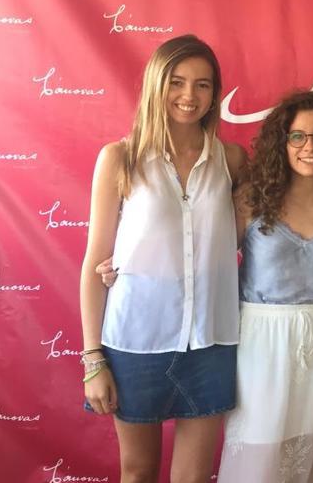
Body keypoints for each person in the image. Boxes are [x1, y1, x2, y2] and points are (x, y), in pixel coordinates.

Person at [79, 34, 247, 482]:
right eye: (177, 82)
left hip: (211, 341)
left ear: (215, 93)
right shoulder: (120, 158)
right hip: (135, 342)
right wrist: (93, 358)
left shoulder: (232, 160)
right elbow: (95, 263)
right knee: (138, 471)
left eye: (203, 85)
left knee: (192, 477)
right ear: (156, 84)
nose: (189, 96)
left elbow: (253, 238)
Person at [217, 91, 313, 482]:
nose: (310, 146)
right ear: (281, 143)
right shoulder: (252, 199)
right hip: (260, 341)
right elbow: (208, 266)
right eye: (297, 136)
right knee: (259, 454)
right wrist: (133, 263)